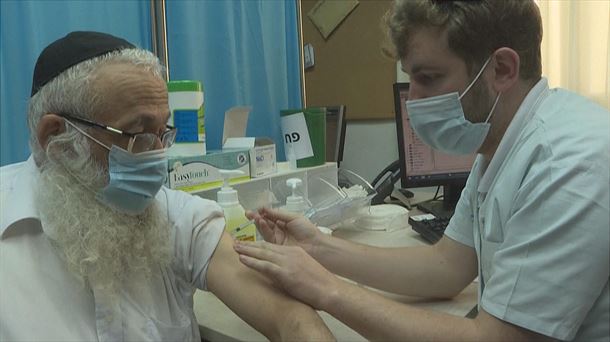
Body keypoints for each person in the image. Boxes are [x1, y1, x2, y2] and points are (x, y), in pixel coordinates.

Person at [234, 1, 610, 341]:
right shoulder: (503, 145)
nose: (412, 98)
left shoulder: (566, 162)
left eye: (428, 77)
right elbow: (446, 266)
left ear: (502, 69)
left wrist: (326, 290)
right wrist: (316, 247)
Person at [0, 31, 335, 341]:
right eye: (138, 134)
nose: (159, 159)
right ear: (56, 136)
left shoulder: (176, 217)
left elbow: (289, 318)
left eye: (164, 133)